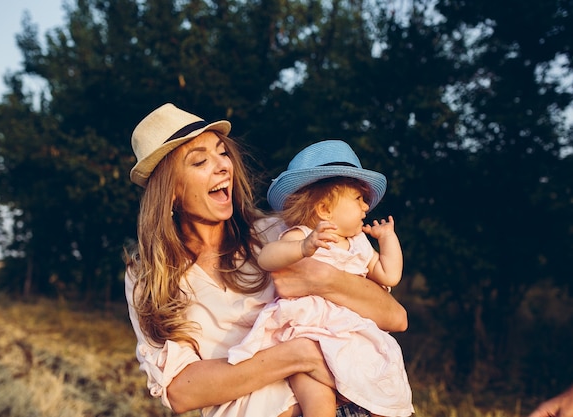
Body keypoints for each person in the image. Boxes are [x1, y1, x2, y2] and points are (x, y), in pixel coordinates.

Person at [124, 103, 408, 417]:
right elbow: (180, 391)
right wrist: (300, 354)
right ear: (170, 190)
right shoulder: (149, 276)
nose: (223, 166)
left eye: (223, 153)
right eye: (200, 161)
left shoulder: (279, 232)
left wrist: (322, 278)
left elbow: (394, 317)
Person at [228, 140, 414, 417]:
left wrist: (388, 239)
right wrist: (303, 248)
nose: (366, 206)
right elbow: (268, 258)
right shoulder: (302, 235)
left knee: (382, 384)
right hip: (307, 331)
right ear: (325, 210)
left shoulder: (359, 244)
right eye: (358, 199)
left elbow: (390, 275)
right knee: (318, 400)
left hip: (353, 335)